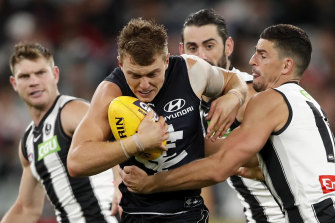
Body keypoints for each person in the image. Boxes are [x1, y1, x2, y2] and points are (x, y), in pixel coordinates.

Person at [120, 24, 335, 222]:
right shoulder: (307, 102)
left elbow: (218, 167)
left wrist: (150, 184)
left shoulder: (270, 100)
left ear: (286, 65)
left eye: (262, 55)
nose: (252, 61)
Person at [67, 17, 247, 223]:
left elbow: (235, 81)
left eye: (153, 73)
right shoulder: (110, 92)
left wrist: (234, 97)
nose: (144, 85)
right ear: (120, 63)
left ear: (167, 60)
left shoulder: (192, 71)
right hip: (138, 214)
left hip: (189, 211)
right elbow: (76, 162)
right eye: (134, 75)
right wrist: (138, 142)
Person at [180, 9, 285, 222]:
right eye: (192, 48)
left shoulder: (256, 94)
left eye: (209, 46)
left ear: (228, 46)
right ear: (181, 51)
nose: (201, 56)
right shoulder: (188, 102)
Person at [1, 42, 118, 223]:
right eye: (25, 76)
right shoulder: (28, 142)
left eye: (40, 73)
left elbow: (118, 141)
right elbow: (27, 208)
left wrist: (119, 183)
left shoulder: (72, 111)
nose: (34, 82)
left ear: (55, 74)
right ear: (14, 84)